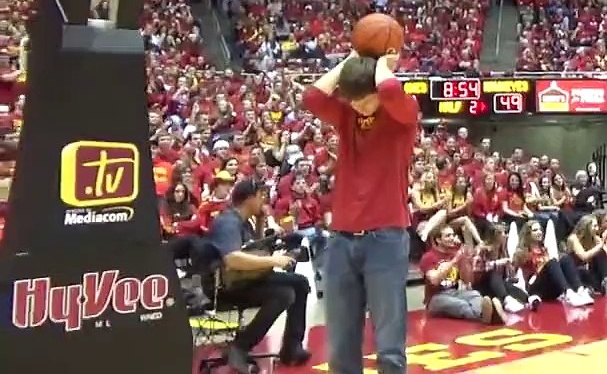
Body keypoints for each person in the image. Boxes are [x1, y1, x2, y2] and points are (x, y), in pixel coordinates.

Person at [301, 51, 419, 374]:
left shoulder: (402, 115)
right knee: (340, 345)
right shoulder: (347, 116)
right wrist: (349, 61)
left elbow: (392, 92)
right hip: (340, 238)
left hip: (387, 237)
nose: (357, 107)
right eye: (351, 101)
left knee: (389, 345)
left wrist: (382, 63)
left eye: (364, 100)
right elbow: (311, 97)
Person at [207, 179, 311, 373]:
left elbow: (254, 250)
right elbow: (232, 259)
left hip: (246, 278)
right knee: (284, 294)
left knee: (300, 283)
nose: (263, 202)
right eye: (260, 197)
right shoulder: (228, 222)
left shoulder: (244, 221)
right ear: (249, 198)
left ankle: (291, 348)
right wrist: (274, 262)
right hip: (227, 286)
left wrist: (262, 223)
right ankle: (240, 347)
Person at [419, 225, 508, 325]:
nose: (452, 238)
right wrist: (455, 260)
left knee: (475, 295)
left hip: (455, 292)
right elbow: (434, 280)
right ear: (438, 240)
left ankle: (487, 315)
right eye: (448, 236)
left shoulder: (455, 253)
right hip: (435, 298)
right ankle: (488, 316)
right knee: (462, 305)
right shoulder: (428, 257)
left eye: (453, 235)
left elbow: (468, 281)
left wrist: (464, 258)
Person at [513, 220, 595, 307]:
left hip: (551, 289)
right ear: (528, 234)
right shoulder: (522, 252)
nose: (539, 232)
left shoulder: (543, 249)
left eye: (540, 229)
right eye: (535, 230)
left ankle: (580, 290)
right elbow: (516, 270)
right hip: (535, 289)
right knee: (552, 262)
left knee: (565, 258)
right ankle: (569, 294)